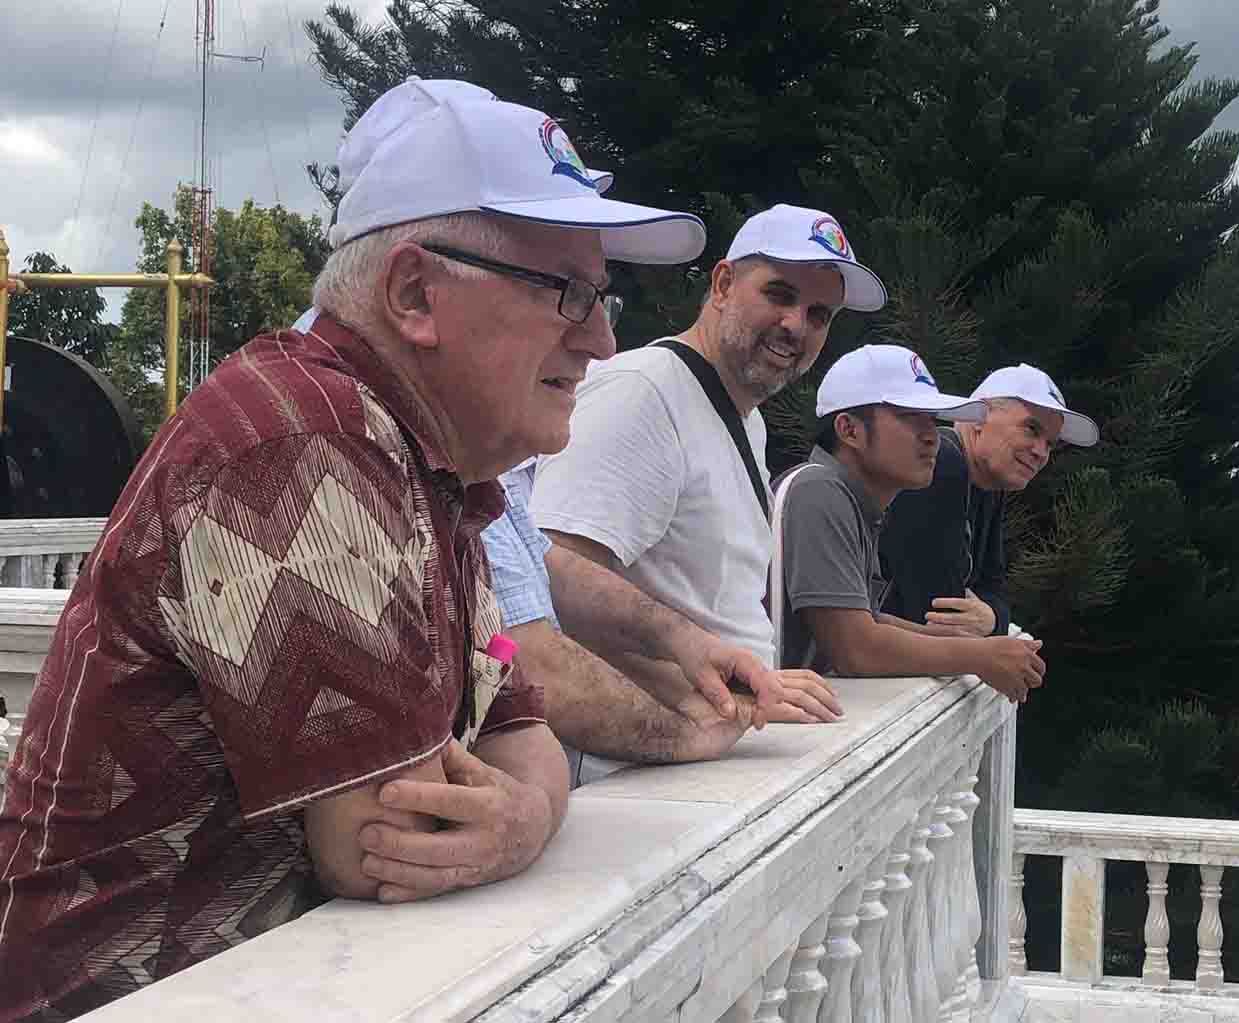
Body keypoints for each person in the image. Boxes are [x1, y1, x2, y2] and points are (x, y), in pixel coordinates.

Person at [0, 78, 711, 1020]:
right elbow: (388, 842)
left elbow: (522, 729)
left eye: (602, 297)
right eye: (568, 294)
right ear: (414, 293)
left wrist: (528, 810)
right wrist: (526, 805)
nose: (603, 341)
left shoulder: (434, 471)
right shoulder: (296, 441)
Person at [530, 203, 883, 711]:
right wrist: (726, 692)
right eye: (779, 295)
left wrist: (751, 689)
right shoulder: (642, 391)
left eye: (818, 315)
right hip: (643, 751)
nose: (796, 325)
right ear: (722, 285)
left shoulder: (745, 420)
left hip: (715, 737)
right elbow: (552, 577)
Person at [484, 460, 839, 786]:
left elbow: (548, 563)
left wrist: (686, 641)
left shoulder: (492, 479)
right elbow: (534, 662)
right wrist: (683, 734)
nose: (575, 404)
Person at [772, 345, 1046, 701]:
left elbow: (868, 620)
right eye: (910, 417)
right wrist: (980, 655)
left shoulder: (852, 502)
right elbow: (854, 648)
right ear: (849, 430)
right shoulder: (818, 491)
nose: (932, 435)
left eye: (932, 419)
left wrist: (970, 643)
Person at [878, 363, 1100, 637]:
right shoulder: (941, 465)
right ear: (979, 419)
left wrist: (994, 618)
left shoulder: (988, 484)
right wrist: (995, 621)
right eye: (1031, 429)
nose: (1041, 452)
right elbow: (938, 614)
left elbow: (994, 590)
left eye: (1050, 443)